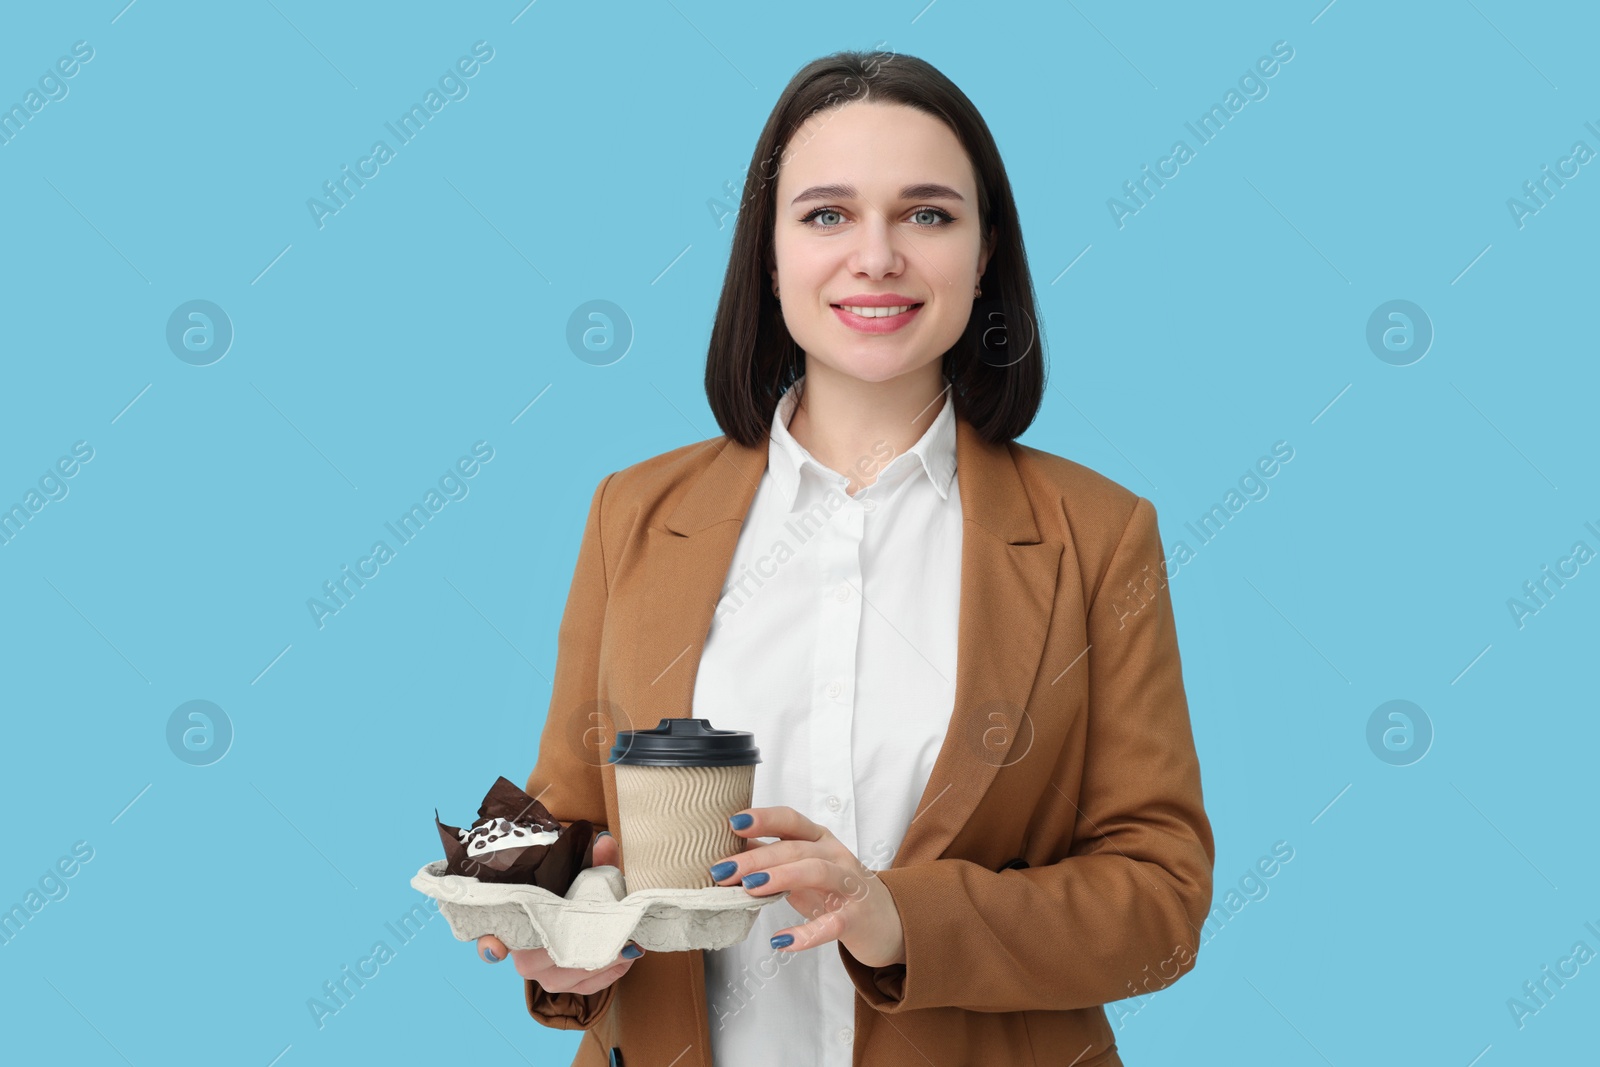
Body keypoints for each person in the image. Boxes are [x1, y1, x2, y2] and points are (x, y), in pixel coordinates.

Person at [472, 49, 1214, 1067]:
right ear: (768, 252)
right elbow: (572, 830)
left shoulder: (1098, 533)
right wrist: (560, 942)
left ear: (985, 249)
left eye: (927, 214)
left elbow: (1159, 901)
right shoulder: (632, 514)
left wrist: (891, 912)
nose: (876, 257)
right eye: (825, 214)